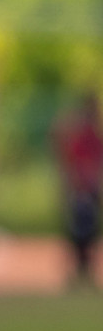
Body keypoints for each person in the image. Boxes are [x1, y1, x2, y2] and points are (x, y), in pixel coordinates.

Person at [53, 93, 103, 287]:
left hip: (90, 189)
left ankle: (85, 271)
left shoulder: (94, 137)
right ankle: (77, 271)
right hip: (81, 189)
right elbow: (70, 162)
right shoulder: (80, 136)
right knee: (78, 232)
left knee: (89, 232)